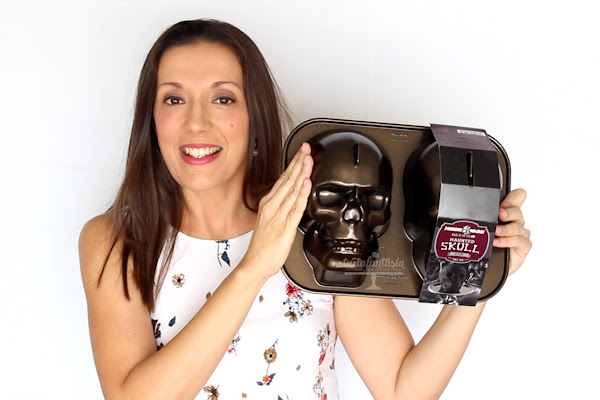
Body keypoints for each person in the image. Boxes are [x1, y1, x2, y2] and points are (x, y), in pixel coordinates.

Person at [79, 19, 532, 400]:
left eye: (223, 98)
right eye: (174, 99)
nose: (196, 122)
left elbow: (403, 389)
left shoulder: (315, 220)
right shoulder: (116, 242)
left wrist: (479, 275)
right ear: (152, 118)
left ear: (255, 117)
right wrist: (254, 267)